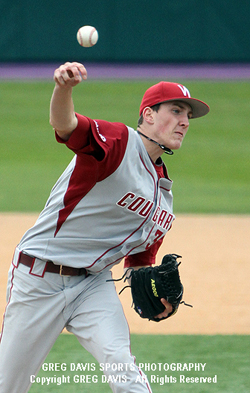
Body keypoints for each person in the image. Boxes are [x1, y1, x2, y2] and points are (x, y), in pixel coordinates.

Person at [0, 61, 209, 393]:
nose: (185, 121)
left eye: (188, 115)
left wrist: (157, 295)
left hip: (93, 287)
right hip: (39, 279)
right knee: (8, 385)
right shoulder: (118, 142)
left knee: (124, 370)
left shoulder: (164, 194)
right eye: (176, 110)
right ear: (149, 115)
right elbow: (66, 125)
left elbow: (141, 262)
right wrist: (64, 87)